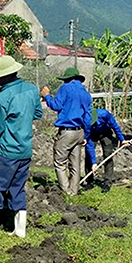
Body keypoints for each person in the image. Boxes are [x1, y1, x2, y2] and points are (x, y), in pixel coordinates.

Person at [0, 55, 42, 238]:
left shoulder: (3, 97)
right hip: (25, 150)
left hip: (7, 152)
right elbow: (37, 112)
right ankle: (19, 231)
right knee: (17, 188)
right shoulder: (31, 90)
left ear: (4, 76)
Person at [40, 67, 92, 196]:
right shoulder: (85, 93)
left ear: (67, 79)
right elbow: (88, 116)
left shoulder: (66, 88)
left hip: (67, 131)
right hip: (79, 131)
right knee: (75, 164)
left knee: (60, 162)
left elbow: (56, 105)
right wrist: (86, 134)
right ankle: (74, 191)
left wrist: (47, 95)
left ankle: (66, 191)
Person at [84, 107, 130, 193]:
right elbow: (89, 144)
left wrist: (122, 140)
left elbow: (115, 127)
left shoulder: (104, 114)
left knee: (108, 155)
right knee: (88, 156)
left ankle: (107, 181)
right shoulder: (86, 123)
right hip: (92, 134)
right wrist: (94, 163)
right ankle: (89, 181)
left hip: (105, 133)